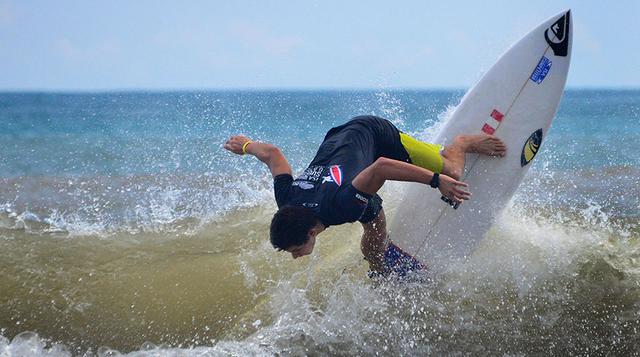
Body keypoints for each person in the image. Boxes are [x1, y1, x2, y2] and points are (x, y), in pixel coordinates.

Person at [224, 115, 506, 274]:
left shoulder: (340, 206)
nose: (296, 257)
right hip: (338, 136)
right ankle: (377, 265)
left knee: (453, 172)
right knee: (370, 216)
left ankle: (461, 143)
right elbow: (272, 154)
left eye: (296, 250)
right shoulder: (287, 201)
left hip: (375, 134)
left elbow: (381, 167)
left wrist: (437, 182)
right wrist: (247, 145)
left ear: (311, 231)